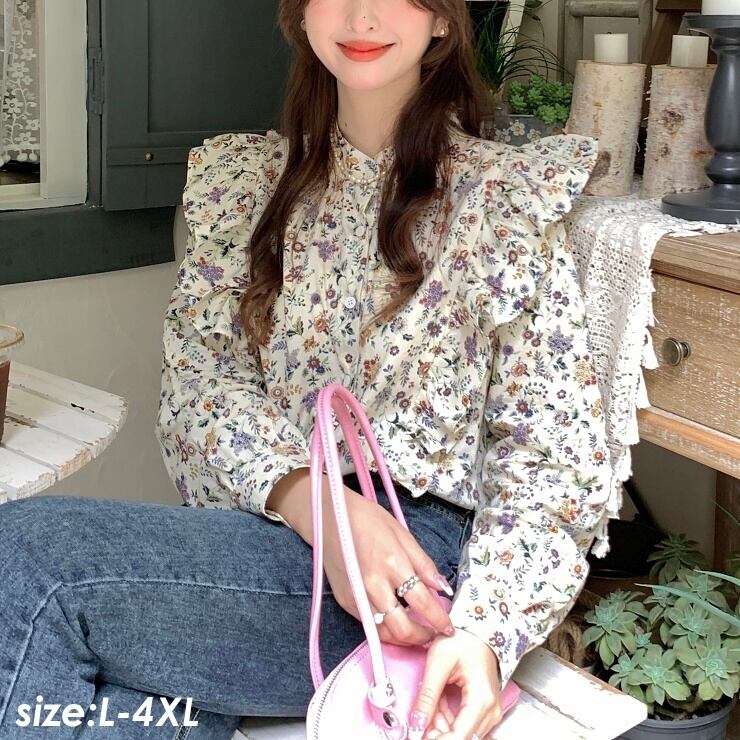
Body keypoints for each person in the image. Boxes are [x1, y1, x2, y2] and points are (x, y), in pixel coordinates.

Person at [0, 1, 613, 738]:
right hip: (278, 525)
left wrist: (487, 630)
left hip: (417, 575)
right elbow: (200, 386)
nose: (361, 15)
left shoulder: (502, 198)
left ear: (444, 19)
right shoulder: (248, 185)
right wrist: (321, 505)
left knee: (23, 558)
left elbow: (552, 450)